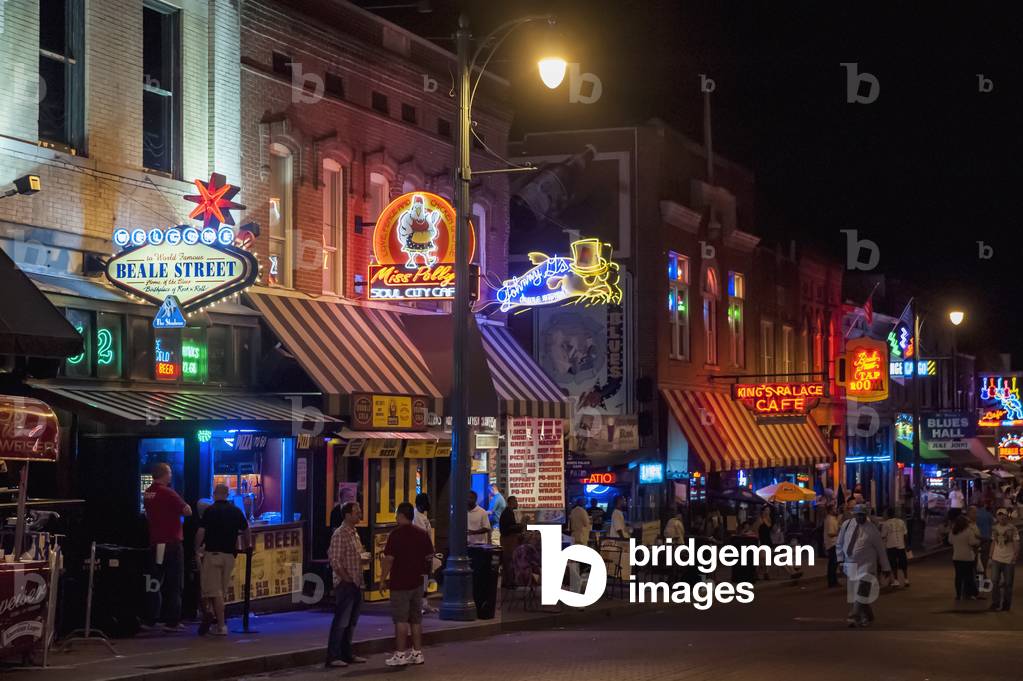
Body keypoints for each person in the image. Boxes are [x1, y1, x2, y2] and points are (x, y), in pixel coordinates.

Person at [381, 502, 434, 667]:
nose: (396, 517)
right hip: (417, 582)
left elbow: (389, 559)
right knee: (416, 620)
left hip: (399, 582)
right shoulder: (422, 534)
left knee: (401, 619)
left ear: (401, 516)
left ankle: (400, 654)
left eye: (397, 514)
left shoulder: (395, 535)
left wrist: (383, 579)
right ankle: (417, 653)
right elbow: (429, 557)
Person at [195, 484, 251, 636]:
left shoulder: (209, 511)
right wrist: (248, 546)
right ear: (227, 494)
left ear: (214, 494)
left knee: (214, 591)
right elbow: (246, 529)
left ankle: (220, 625)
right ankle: (214, 617)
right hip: (229, 556)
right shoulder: (236, 511)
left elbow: (201, 532)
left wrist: (196, 548)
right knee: (220, 590)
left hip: (213, 555)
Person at [143, 463, 192, 632]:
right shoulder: (168, 492)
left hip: (155, 542)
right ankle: (172, 621)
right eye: (170, 473)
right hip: (171, 543)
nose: (171, 476)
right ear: (164, 474)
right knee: (175, 582)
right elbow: (187, 511)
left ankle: (150, 617)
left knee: (154, 581)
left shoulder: (147, 492)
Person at [325, 502, 368, 668]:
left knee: (352, 621)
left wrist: (363, 559)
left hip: (357, 581)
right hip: (346, 583)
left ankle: (346, 653)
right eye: (357, 512)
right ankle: (333, 655)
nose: (360, 514)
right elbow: (334, 560)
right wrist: (345, 578)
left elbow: (354, 556)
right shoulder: (340, 534)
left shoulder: (354, 533)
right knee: (341, 621)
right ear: (347, 515)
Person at [836, 504, 892, 627]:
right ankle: (867, 616)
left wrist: (886, 567)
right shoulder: (846, 526)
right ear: (854, 515)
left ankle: (853, 615)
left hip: (867, 565)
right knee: (855, 593)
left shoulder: (872, 529)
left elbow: (880, 550)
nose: (860, 518)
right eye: (858, 515)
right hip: (850, 564)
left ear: (866, 515)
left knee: (861, 590)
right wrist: (840, 560)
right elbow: (839, 543)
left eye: (862, 515)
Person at [989, 508, 1020, 612]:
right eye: (999, 515)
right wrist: (990, 556)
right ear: (997, 517)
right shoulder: (994, 528)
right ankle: (995, 603)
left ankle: (1006, 604)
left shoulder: (1012, 528)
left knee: (1008, 583)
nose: (1002, 517)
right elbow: (993, 542)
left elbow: (1016, 542)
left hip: (1008, 559)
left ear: (1007, 516)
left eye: (1004, 515)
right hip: (996, 558)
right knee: (994, 581)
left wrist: (1015, 555)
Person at [949, 513, 980, 601]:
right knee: (969, 576)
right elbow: (973, 542)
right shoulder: (968, 531)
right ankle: (971, 594)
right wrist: (978, 541)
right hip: (967, 557)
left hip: (956, 557)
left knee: (958, 576)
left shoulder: (953, 531)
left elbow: (950, 541)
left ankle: (958, 595)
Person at [880, 507, 909, 587]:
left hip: (891, 546)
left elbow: (883, 536)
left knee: (893, 564)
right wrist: (907, 545)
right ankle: (906, 579)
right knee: (903, 563)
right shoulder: (901, 522)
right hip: (901, 545)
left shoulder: (886, 524)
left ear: (887, 514)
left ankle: (896, 580)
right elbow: (905, 535)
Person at [499, 496, 524, 586]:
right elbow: (508, 528)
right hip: (508, 540)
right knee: (509, 561)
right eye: (515, 501)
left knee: (508, 561)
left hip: (508, 539)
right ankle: (509, 582)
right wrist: (520, 526)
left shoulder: (509, 512)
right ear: (510, 502)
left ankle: (508, 581)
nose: (517, 503)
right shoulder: (507, 513)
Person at [973, 503, 995, 573]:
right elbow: (993, 524)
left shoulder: (975, 515)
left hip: (976, 537)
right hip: (986, 537)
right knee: (984, 556)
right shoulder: (988, 514)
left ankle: (977, 573)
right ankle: (983, 572)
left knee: (975, 556)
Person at [823, 504, 841, 588]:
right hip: (832, 543)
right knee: (833, 564)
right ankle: (832, 581)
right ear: (830, 510)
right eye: (834, 509)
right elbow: (830, 533)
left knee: (833, 564)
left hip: (833, 543)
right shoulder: (830, 519)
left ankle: (833, 581)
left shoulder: (832, 519)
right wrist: (839, 532)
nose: (836, 510)